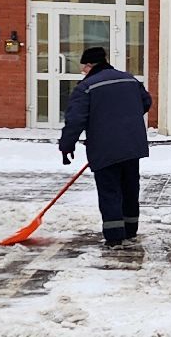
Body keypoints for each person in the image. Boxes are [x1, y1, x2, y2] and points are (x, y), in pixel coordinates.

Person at [59, 46, 153, 247]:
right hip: (132, 145)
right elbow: (146, 102)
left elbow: (75, 120)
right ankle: (130, 230)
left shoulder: (86, 87)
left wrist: (67, 146)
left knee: (110, 191)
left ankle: (114, 236)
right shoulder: (129, 79)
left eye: (84, 66)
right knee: (129, 188)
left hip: (104, 147)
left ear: (90, 64)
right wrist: (126, 118)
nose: (83, 70)